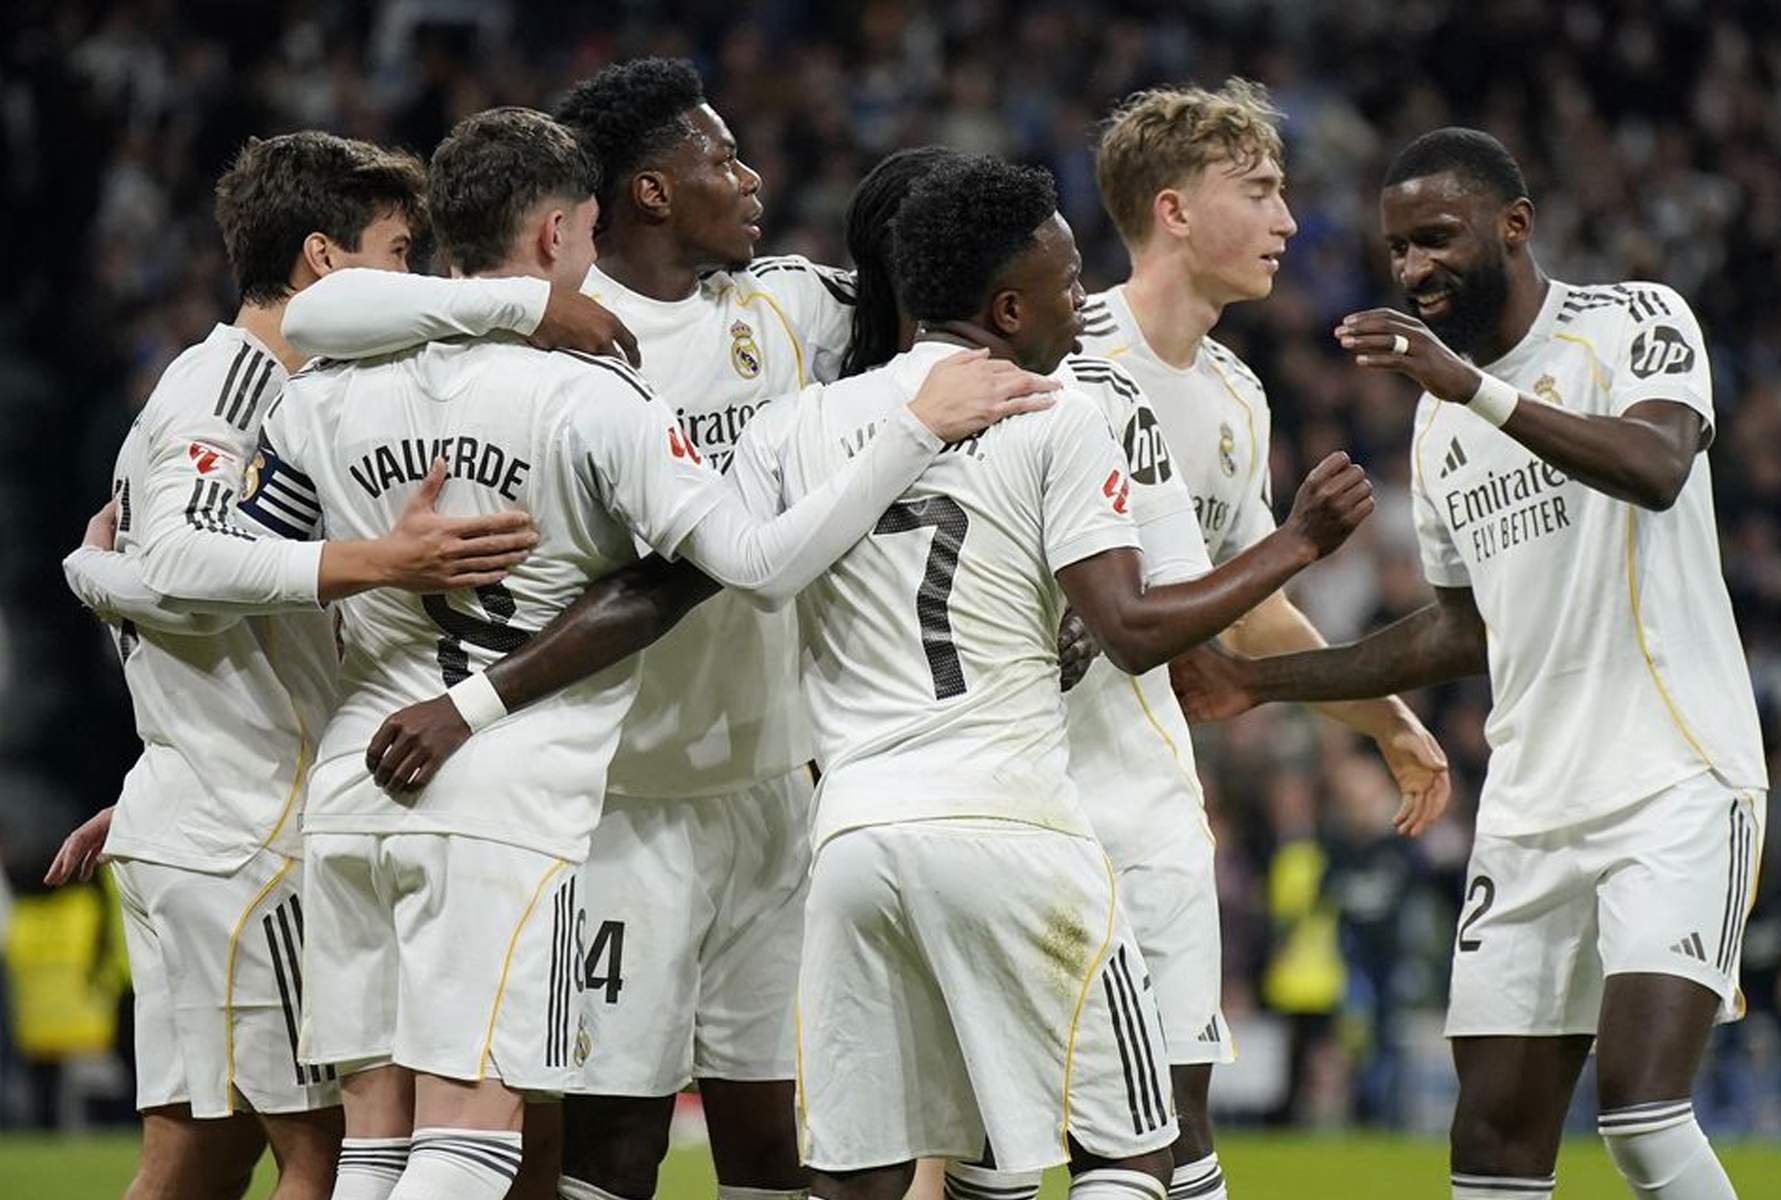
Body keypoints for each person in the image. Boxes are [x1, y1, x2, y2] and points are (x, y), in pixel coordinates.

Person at [261, 107, 1048, 1200]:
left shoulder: (784, 305)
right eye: (721, 158)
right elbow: (710, 565)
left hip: (773, 781)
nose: (752, 175)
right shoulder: (580, 340)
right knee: (597, 1135)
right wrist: (533, 306)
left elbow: (932, 267)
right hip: (619, 793)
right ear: (634, 198)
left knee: (769, 1123)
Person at [730, 154, 1373, 1200]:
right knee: (1129, 1152)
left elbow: (753, 574)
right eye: (1069, 286)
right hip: (1010, 828)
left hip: (852, 840)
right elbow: (1127, 626)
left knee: (863, 1177)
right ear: (1005, 304)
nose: (1083, 311)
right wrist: (1294, 541)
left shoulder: (796, 426)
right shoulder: (1055, 414)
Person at [1169, 127, 1768, 1200]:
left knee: (1638, 1113)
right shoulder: (1439, 430)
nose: (1412, 269)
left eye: (1434, 238)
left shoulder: (1629, 323)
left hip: (1674, 780)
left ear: (1513, 226)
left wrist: (1472, 388)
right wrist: (1262, 681)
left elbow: (1656, 464)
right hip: (1530, 808)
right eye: (1396, 250)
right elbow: (1457, 631)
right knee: (1489, 1143)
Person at [43, 130, 556, 1200]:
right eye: (398, 250)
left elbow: (164, 584)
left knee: (193, 1159)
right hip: (249, 837)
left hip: (206, 813)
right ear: (325, 260)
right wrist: (385, 559)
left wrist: (149, 741)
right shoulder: (230, 387)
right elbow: (180, 561)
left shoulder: (279, 396)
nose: (413, 278)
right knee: (325, 1158)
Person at [1064, 78, 1451, 1196]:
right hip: (1023, 789)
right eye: (1261, 190)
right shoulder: (1056, 353)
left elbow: (1246, 605)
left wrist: (1383, 720)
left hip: (1149, 795)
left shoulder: (1233, 395)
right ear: (1174, 210)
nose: (1289, 219)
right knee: (1006, 1138)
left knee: (1175, 1125)